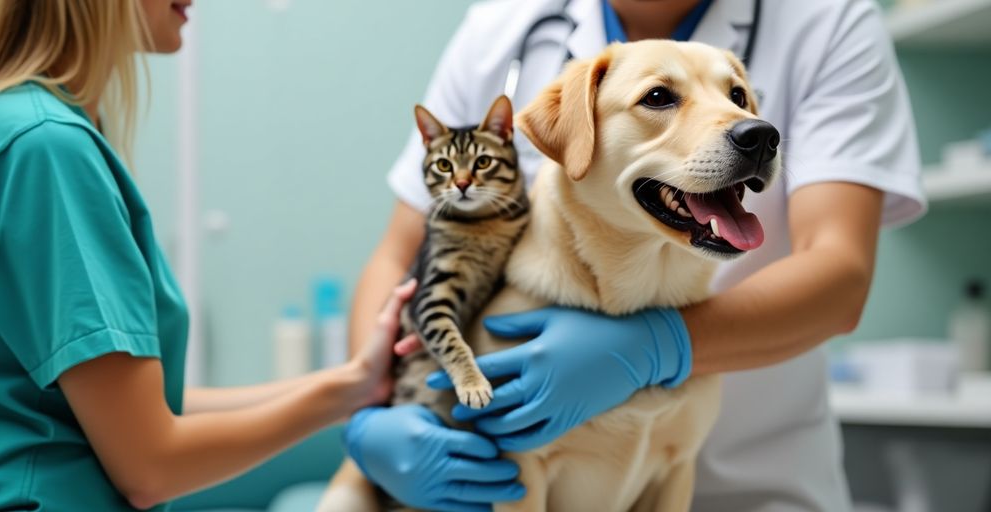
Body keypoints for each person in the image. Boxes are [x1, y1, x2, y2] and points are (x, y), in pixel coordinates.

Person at [342, 0, 926, 511]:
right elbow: (401, 255)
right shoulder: (497, 29)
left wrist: (656, 347)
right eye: (658, 98)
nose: (748, 126)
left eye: (739, 97)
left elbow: (840, 273)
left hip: (758, 486)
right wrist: (374, 412)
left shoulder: (830, 20)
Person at [0, 2, 415, 510]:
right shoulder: (44, 148)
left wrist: (353, 385)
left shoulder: (19, 126)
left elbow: (148, 412)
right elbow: (151, 466)